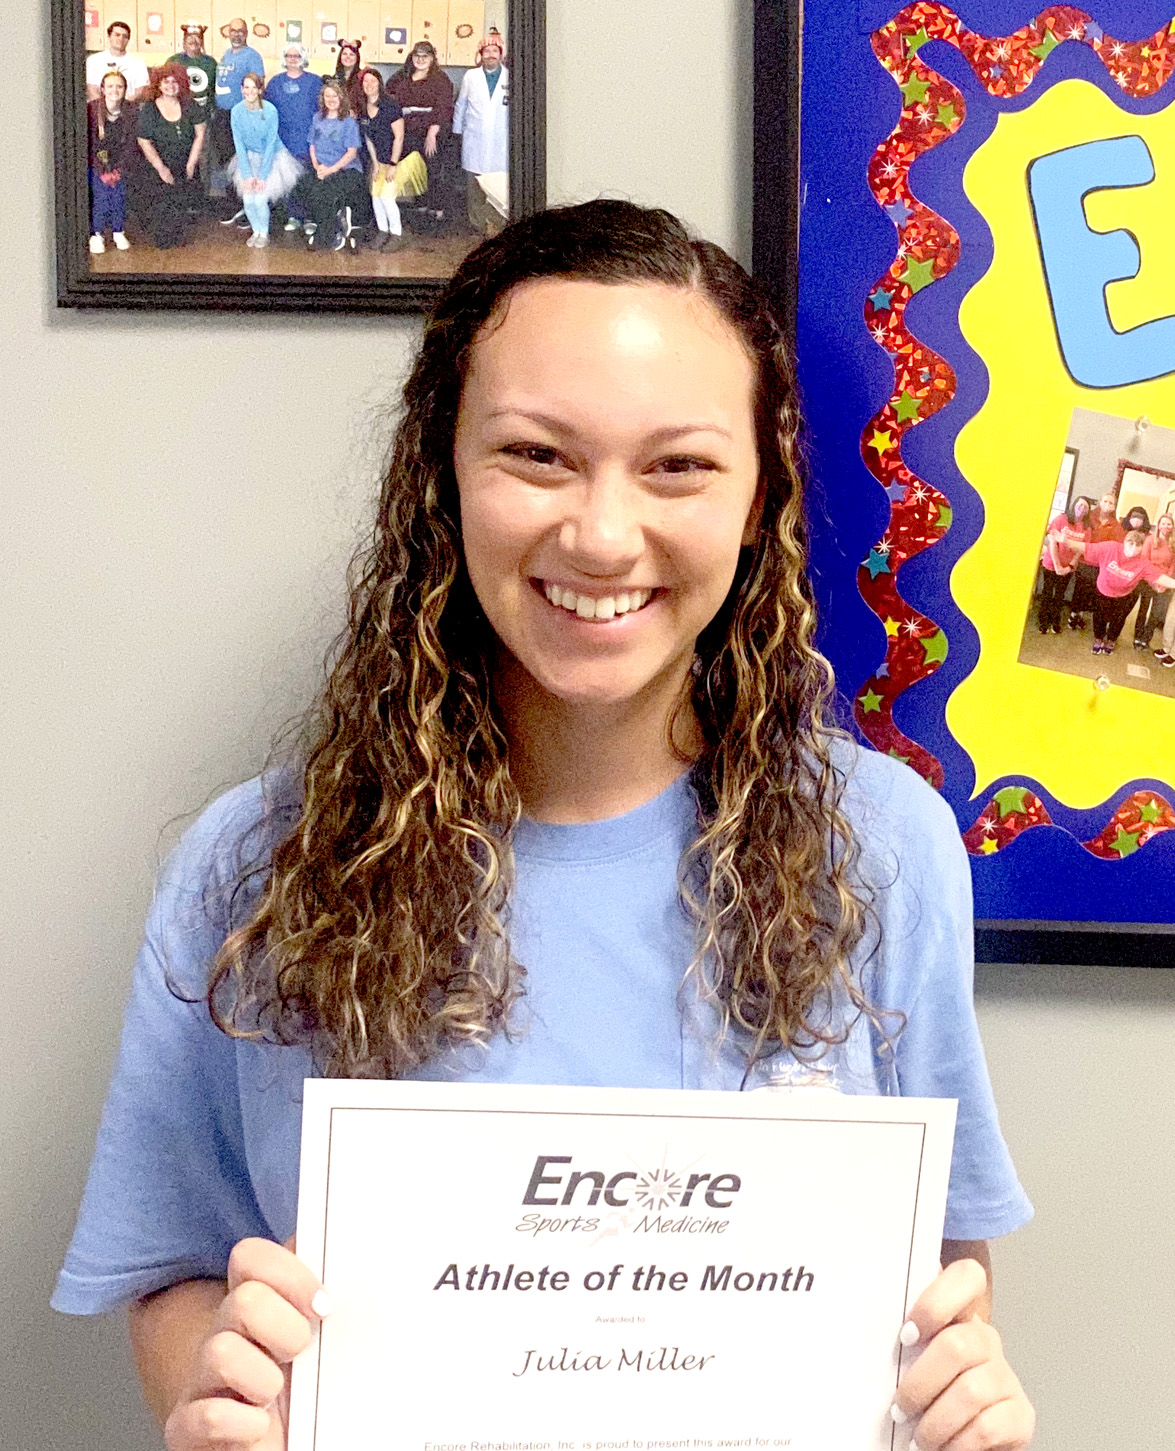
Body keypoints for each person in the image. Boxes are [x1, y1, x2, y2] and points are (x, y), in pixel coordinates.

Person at [54, 202, 1036, 1451]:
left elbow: (934, 1271)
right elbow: (176, 1265)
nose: (602, 535)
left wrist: (957, 1406)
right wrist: (222, 1399)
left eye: (677, 465)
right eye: (535, 455)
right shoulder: (253, 868)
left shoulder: (882, 848)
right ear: (444, 474)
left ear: (758, 499)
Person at [130, 63, 206, 249]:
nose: (170, 86)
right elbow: (144, 141)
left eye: (175, 82)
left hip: (184, 162)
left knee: (180, 204)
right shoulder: (149, 109)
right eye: (166, 82)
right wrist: (161, 168)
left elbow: (200, 135)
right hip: (157, 164)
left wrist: (191, 164)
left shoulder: (191, 105)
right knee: (161, 207)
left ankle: (177, 231)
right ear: (159, 84)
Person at [1068, 530, 1175, 654]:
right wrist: (1066, 540)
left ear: (1142, 547)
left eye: (1138, 545)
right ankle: (1098, 639)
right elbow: (1087, 547)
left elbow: (1159, 577)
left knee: (1118, 620)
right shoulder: (1111, 547)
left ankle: (1111, 640)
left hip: (1124, 596)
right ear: (1124, 542)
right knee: (1099, 617)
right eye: (1130, 543)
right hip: (1103, 591)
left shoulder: (1143, 563)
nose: (1133, 548)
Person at [294, 78, 370, 250]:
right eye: (327, 96)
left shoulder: (349, 122)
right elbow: (312, 144)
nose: (331, 99)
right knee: (303, 187)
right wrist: (316, 166)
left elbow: (351, 153)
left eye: (335, 96)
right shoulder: (317, 118)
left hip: (346, 170)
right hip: (322, 167)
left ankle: (326, 235)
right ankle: (336, 222)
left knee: (323, 194)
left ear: (341, 98)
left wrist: (330, 170)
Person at [228, 73, 302, 248]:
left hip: (272, 158)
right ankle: (256, 231)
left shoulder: (270, 110)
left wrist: (262, 176)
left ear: (260, 90)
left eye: (254, 87)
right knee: (248, 200)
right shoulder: (236, 111)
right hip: (248, 158)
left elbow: (270, 144)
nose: (250, 91)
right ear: (242, 89)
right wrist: (247, 175)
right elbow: (239, 144)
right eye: (246, 87)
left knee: (260, 199)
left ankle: (264, 233)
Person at [387, 40, 456, 226]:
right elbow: (388, 94)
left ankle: (437, 209)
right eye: (417, 56)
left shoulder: (441, 79)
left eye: (425, 56)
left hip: (431, 129)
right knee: (413, 168)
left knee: (433, 169)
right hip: (407, 129)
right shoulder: (402, 75)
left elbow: (444, 107)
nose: (420, 59)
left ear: (432, 58)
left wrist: (433, 132)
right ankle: (420, 205)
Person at [453, 31, 509, 226]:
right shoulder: (471, 76)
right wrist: (457, 132)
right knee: (474, 187)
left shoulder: (511, 77)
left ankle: (497, 225)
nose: (490, 55)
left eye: (495, 51)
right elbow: (461, 105)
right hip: (474, 140)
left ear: (500, 54)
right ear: (481, 54)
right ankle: (477, 226)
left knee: (498, 188)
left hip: (501, 141)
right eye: (487, 51)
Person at [265, 41, 322, 231]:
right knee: (289, 180)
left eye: (296, 56)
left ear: (303, 58)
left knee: (308, 179)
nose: (292, 59)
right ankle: (293, 216)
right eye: (289, 56)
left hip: (308, 139)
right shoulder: (275, 83)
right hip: (283, 139)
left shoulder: (315, 82)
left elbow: (324, 109)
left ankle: (309, 218)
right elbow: (266, 109)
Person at [213, 18, 265, 205]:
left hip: (241, 116)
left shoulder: (252, 56)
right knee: (225, 160)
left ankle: (244, 205)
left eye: (240, 31)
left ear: (246, 33)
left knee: (241, 162)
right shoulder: (227, 54)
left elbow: (259, 86)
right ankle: (231, 203)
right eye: (233, 31)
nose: (236, 34)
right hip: (222, 115)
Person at [87, 69, 136, 253]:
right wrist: (102, 171)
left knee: (119, 194)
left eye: (119, 86)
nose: (114, 90)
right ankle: (97, 233)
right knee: (101, 195)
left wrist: (119, 170)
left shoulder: (131, 110)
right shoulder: (91, 110)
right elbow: (89, 143)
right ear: (102, 89)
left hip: (121, 164)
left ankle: (118, 230)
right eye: (110, 86)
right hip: (96, 164)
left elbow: (132, 144)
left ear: (125, 89)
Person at [357, 66, 405, 249]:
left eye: (373, 81)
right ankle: (382, 231)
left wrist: (393, 164)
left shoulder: (390, 105)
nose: (369, 85)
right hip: (379, 160)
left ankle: (396, 234)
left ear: (379, 84)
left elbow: (399, 136)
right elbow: (368, 138)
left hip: (397, 159)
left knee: (387, 197)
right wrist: (375, 164)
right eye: (365, 81)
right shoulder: (363, 108)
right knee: (376, 196)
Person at [1068, 489, 1123, 629]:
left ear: (1114, 507)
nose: (1107, 504)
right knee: (1079, 589)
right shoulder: (1089, 516)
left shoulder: (1116, 525)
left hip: (1100, 564)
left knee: (1092, 592)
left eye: (1111, 503)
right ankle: (1073, 614)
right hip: (1084, 559)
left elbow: (1117, 545)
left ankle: (1081, 616)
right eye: (1105, 501)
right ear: (1100, 502)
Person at [1036, 495, 1091, 634]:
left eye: (1085, 507)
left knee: (1060, 595)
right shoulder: (1061, 519)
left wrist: (1070, 566)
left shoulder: (1087, 528)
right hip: (1051, 563)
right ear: (1074, 505)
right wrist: (1057, 566)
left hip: (1068, 567)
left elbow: (1082, 549)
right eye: (1079, 505)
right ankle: (1043, 621)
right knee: (1047, 593)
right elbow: (1052, 542)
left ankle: (1055, 620)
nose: (1082, 509)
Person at [1134, 512, 1174, 649]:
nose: (1166, 526)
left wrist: (1164, 582)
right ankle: (1137, 636)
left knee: (1156, 613)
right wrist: (1153, 581)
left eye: (1169, 524)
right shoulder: (1150, 540)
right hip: (1148, 580)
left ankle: (1146, 639)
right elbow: (1145, 560)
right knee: (1143, 610)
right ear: (1159, 525)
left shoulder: (1173, 543)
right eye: (1163, 523)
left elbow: (1173, 565)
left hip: (1164, 583)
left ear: (1172, 527)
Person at [85, 19, 149, 101]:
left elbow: (141, 91)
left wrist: (125, 106)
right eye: (117, 35)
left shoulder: (138, 63)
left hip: (129, 107)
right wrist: (105, 107)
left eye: (125, 36)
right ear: (109, 36)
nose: (121, 38)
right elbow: (92, 90)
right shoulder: (94, 60)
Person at [334, 39, 364, 111]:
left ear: (357, 58)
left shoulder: (363, 78)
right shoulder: (335, 79)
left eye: (351, 54)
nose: (348, 57)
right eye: (344, 54)